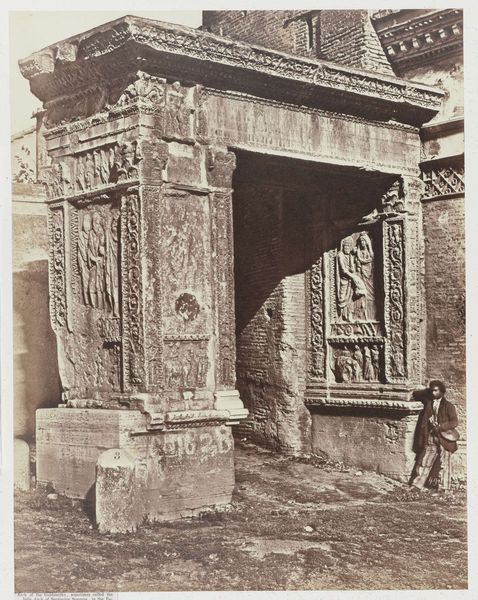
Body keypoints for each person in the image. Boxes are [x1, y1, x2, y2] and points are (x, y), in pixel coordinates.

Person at [410, 380, 459, 492]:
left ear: (442, 391)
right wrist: (428, 391)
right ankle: (417, 485)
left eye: (436, 390)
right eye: (431, 391)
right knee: (425, 461)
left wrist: (441, 426)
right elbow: (416, 394)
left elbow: (454, 422)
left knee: (444, 463)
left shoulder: (449, 406)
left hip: (445, 438)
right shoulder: (428, 402)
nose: (433, 393)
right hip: (431, 436)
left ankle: (444, 488)